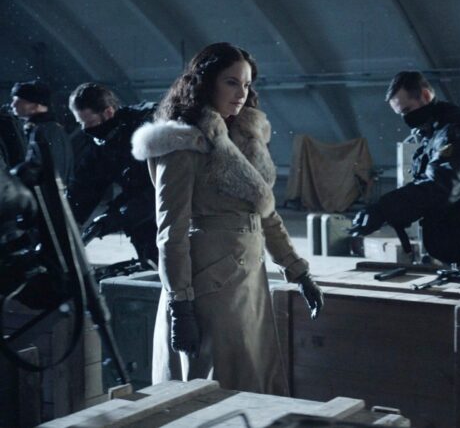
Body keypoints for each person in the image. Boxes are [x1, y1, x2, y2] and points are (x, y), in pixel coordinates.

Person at [130, 42, 323, 394]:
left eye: (246, 84)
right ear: (206, 83)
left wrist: (299, 272)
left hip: (247, 280)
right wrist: (180, 306)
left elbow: (264, 212)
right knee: (214, 384)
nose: (241, 93)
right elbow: (171, 232)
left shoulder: (246, 138)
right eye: (231, 82)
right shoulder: (182, 143)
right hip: (207, 284)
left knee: (251, 377)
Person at [349, 71, 460, 266]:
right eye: (401, 114)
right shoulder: (436, 133)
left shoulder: (456, 134)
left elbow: (441, 187)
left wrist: (385, 209)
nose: (406, 118)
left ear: (425, 95)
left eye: (407, 110)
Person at [66, 83, 158, 265]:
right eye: (81, 123)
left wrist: (117, 217)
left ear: (108, 112)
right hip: (141, 221)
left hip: (171, 217)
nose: (85, 129)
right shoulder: (103, 141)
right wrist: (69, 220)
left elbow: (159, 190)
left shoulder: (147, 130)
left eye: (89, 122)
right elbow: (86, 185)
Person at [10, 80, 73, 183]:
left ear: (37, 104)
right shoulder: (43, 128)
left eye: (19, 100)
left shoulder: (49, 130)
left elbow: (54, 170)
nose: (13, 105)